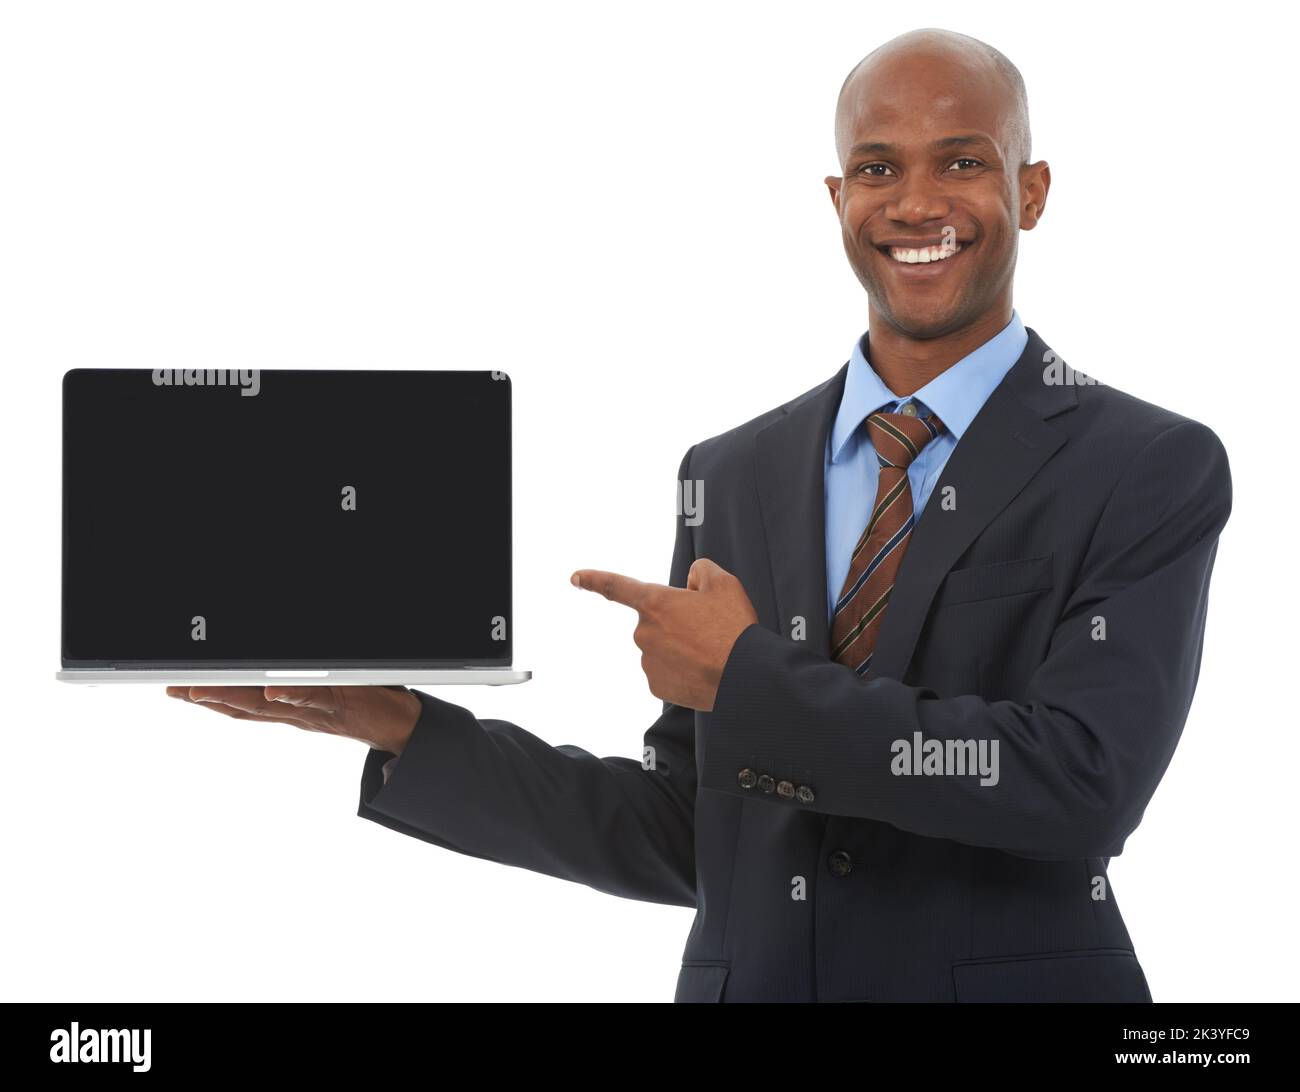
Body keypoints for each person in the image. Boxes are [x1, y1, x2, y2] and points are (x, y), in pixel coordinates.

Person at [169, 27, 1233, 1002]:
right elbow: (694, 828)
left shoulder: (1144, 463)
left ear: (1031, 189)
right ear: (835, 197)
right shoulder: (730, 471)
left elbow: (1079, 785)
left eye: (962, 161)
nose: (915, 202)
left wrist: (752, 680)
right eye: (877, 168)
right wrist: (398, 724)